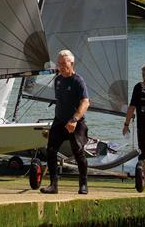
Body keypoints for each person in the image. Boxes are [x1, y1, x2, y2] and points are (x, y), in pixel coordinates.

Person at [41, 49, 90, 195]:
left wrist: (74, 119)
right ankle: (53, 185)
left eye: (64, 63)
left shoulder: (78, 81)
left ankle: (83, 184)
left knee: (78, 151)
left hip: (75, 122)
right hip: (59, 121)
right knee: (50, 150)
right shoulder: (58, 80)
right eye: (59, 63)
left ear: (72, 63)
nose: (61, 66)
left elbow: (86, 102)